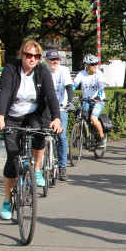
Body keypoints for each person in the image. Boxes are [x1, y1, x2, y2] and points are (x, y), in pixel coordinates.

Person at [0, 40, 63, 220]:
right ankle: (8, 200)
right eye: (28, 55)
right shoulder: (10, 69)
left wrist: (56, 118)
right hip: (12, 117)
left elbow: (50, 94)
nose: (32, 59)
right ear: (22, 55)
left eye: (36, 56)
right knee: (13, 159)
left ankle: (36, 169)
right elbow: (4, 92)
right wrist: (0, 116)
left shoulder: (42, 70)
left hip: (33, 114)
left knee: (40, 132)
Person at [45, 49, 73, 182]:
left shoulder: (64, 71)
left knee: (61, 136)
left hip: (61, 108)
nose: (54, 61)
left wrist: (71, 101)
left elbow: (68, 86)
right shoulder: (43, 70)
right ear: (47, 60)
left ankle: (62, 166)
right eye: (52, 59)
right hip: (46, 109)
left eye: (57, 59)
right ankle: (41, 165)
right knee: (42, 135)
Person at [73, 54, 108, 146]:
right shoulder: (81, 74)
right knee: (78, 116)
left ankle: (101, 137)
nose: (95, 66)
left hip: (98, 100)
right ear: (87, 65)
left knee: (93, 118)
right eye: (93, 64)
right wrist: (68, 94)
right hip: (86, 100)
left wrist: (98, 96)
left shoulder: (99, 73)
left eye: (96, 64)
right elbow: (74, 84)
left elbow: (101, 86)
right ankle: (79, 137)